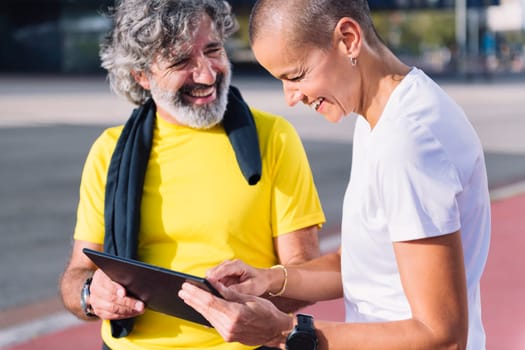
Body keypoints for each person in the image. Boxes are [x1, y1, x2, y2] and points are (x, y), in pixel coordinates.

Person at [178, 1, 491, 349]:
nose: (291, 97)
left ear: (348, 38)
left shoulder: (407, 140)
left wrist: (283, 332)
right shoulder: (380, 116)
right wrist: (268, 279)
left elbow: (442, 337)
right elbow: (359, 262)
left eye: (296, 75)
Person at [59, 0, 326, 349]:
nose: (206, 73)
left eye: (213, 50)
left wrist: (253, 309)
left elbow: (305, 271)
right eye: (181, 61)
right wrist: (90, 293)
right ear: (142, 76)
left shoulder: (274, 137)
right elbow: (77, 274)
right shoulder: (109, 151)